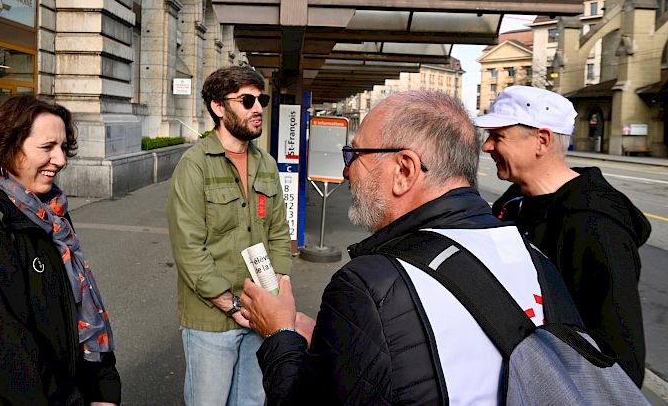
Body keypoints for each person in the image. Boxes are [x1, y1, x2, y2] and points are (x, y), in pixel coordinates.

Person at [241, 90, 582, 404]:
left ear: (404, 170)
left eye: (355, 154)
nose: (346, 171)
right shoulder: (535, 259)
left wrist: (279, 332)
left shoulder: (371, 286)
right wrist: (339, 344)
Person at [0, 95, 121, 405]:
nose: (60, 159)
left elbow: (78, 310)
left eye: (63, 147)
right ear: (7, 147)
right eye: (47, 147)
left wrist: (104, 389)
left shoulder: (49, 216)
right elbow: (5, 350)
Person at [474, 85, 651, 386]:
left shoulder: (594, 227)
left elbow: (620, 361)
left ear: (542, 140)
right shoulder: (514, 202)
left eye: (498, 136)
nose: (487, 147)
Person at [167, 65, 291, 406]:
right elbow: (189, 248)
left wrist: (278, 292)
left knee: (252, 401)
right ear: (218, 107)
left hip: (260, 309)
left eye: (261, 100)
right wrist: (231, 305)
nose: (258, 108)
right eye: (247, 100)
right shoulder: (195, 164)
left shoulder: (266, 163)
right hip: (211, 318)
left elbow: (279, 231)